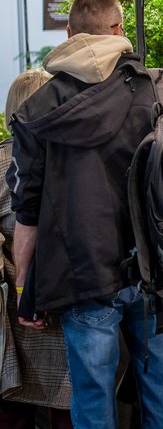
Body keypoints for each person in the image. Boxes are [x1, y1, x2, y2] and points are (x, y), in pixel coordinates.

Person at [5, 0, 163, 429]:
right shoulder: (161, 89)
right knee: (161, 395)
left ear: (68, 34)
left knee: (92, 400)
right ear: (120, 30)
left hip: (81, 274)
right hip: (155, 270)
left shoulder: (40, 108)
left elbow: (26, 211)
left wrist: (24, 287)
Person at [0, 70, 72, 429]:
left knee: (14, 412)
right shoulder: (71, 158)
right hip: (67, 308)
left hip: (15, 317)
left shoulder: (2, 161)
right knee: (68, 412)